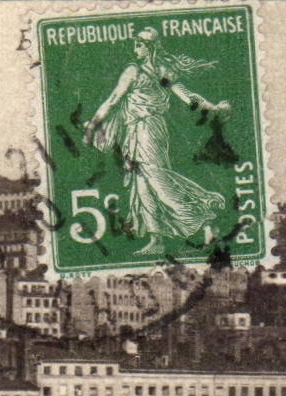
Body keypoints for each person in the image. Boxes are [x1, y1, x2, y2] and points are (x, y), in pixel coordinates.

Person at [81, 27, 229, 256]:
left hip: (149, 130)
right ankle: (156, 239)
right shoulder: (143, 71)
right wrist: (93, 125)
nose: (135, 49)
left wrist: (213, 108)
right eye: (135, 44)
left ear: (150, 47)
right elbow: (113, 100)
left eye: (139, 45)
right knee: (142, 185)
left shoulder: (155, 72)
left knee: (157, 179)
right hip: (135, 132)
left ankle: (203, 213)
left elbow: (188, 98)